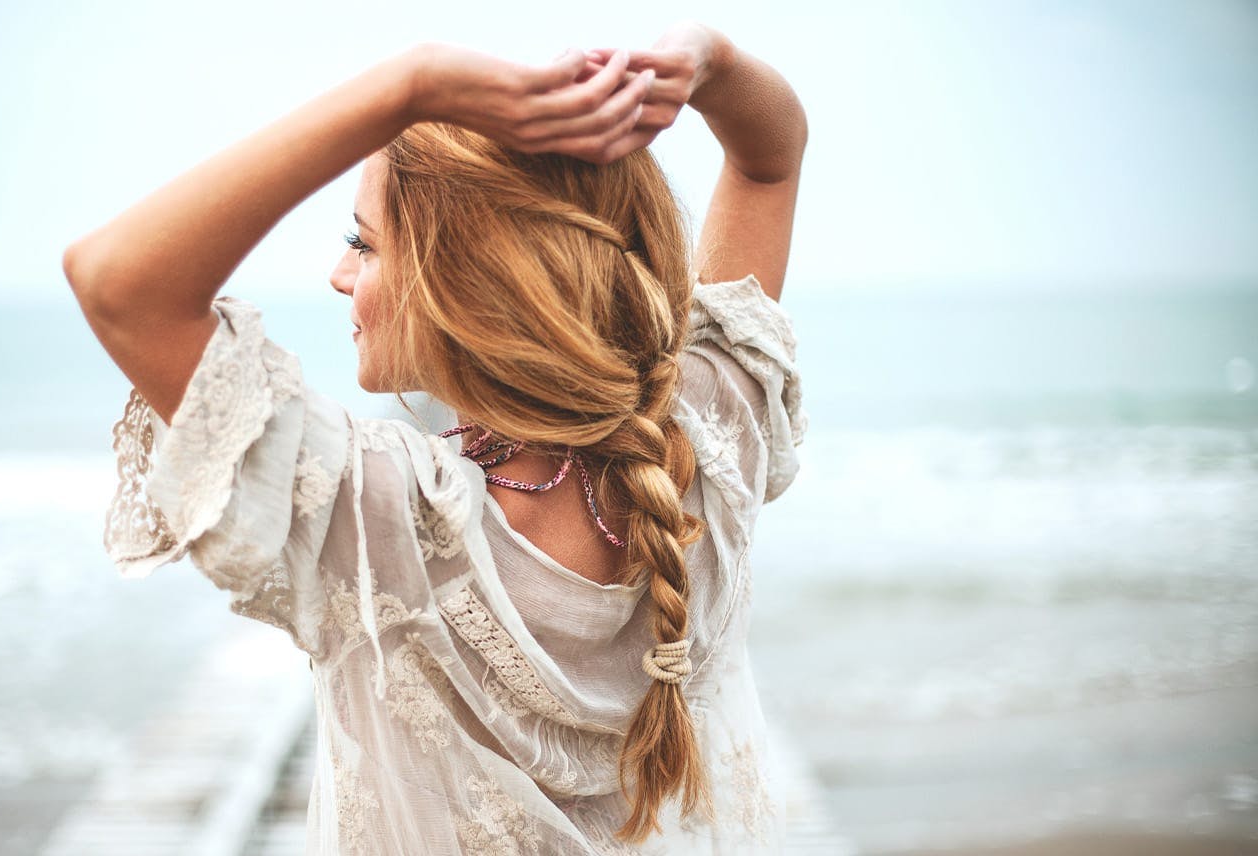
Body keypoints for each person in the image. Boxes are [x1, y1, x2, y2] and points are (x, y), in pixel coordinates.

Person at [65, 18, 808, 854]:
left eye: (363, 243)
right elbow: (767, 160)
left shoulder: (380, 518)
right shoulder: (706, 437)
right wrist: (709, 62)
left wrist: (410, 87)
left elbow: (119, 282)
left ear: (463, 280)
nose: (340, 274)